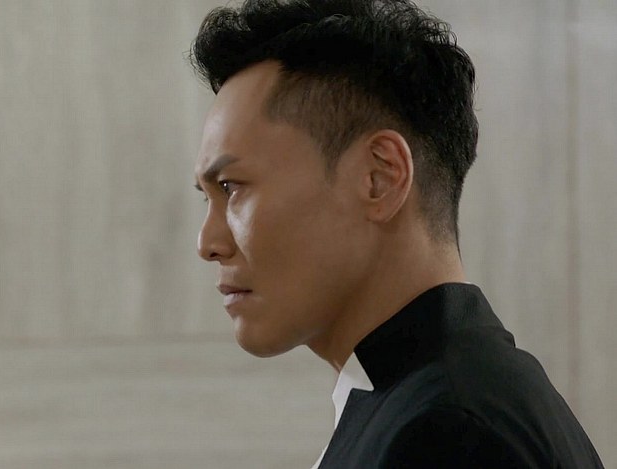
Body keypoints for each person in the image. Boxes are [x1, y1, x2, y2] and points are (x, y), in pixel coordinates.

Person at [189, 0, 604, 467]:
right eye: (208, 196)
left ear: (379, 178)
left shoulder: (449, 432)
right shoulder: (428, 398)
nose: (207, 244)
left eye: (232, 187)